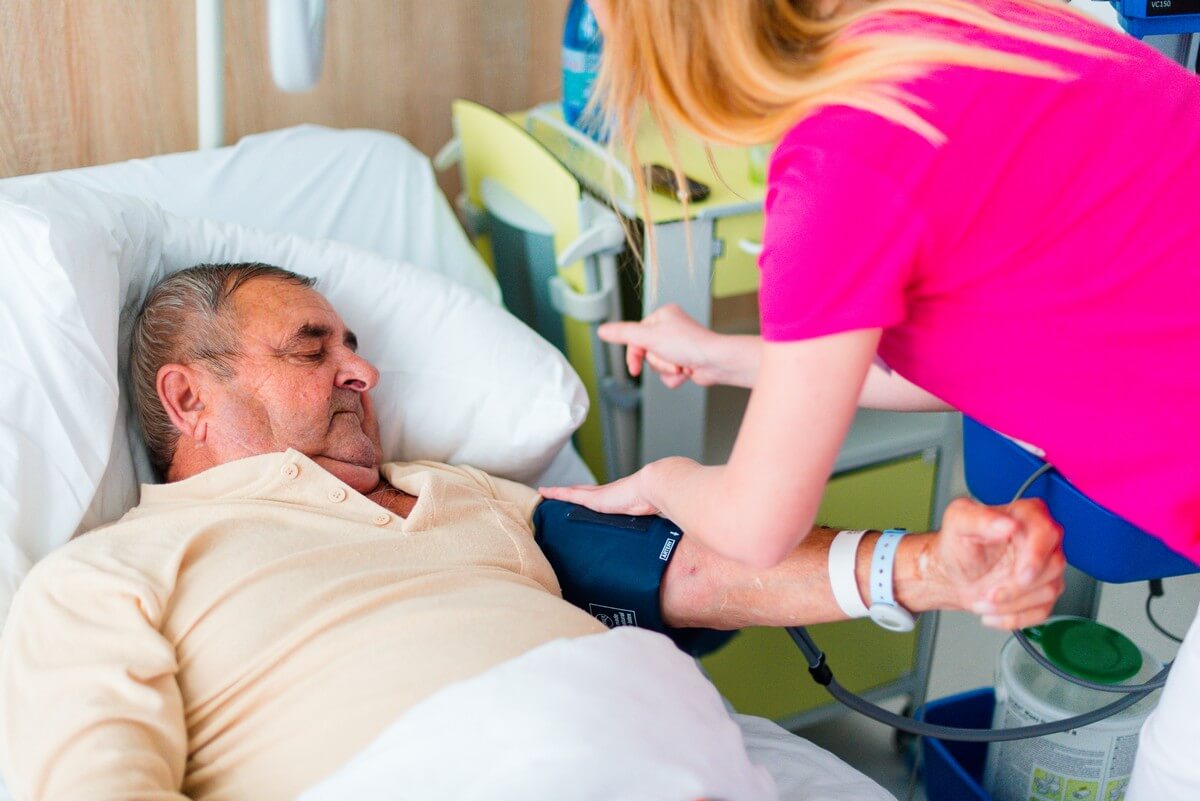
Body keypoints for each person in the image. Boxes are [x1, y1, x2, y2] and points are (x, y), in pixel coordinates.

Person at [0, 264, 1062, 801]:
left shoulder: (465, 491)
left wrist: (929, 567)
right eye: (312, 349)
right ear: (188, 397)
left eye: (354, 345)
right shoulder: (107, 576)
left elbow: (688, 567)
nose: (363, 371)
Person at [536, 1, 1200, 798]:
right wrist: (731, 356)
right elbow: (995, 355)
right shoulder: (958, 26)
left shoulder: (836, 163)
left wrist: (661, 480)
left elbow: (755, 525)